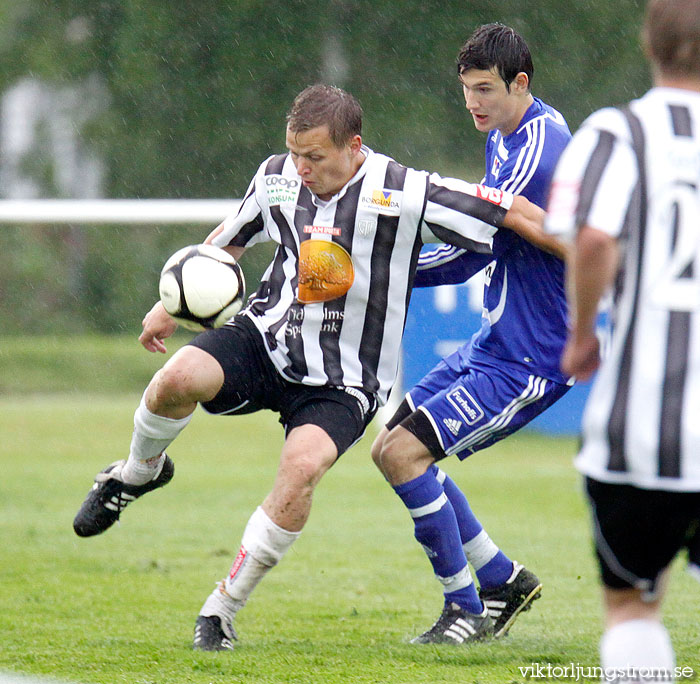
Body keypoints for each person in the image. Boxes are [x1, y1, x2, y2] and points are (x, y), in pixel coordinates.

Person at [72, 83, 551, 651]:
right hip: (266, 339)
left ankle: (220, 611)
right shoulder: (276, 175)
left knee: (301, 471)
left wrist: (602, 256)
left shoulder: (405, 190)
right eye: (295, 153)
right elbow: (227, 243)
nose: (300, 169)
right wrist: (168, 305)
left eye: (315, 157)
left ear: (354, 146)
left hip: (346, 378)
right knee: (175, 379)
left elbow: (512, 211)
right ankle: (137, 472)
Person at [371, 23, 572, 644]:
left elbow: (470, 247)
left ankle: (466, 609)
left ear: (521, 83)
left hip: (531, 357)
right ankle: (503, 579)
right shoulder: (508, 135)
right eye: (466, 91)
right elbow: (483, 246)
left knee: (405, 454)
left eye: (485, 89)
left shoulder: (540, 147)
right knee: (391, 446)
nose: (473, 104)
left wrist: (382, 272)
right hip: (496, 342)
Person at [547, 0, 700, 676]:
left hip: (647, 427)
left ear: (649, 42)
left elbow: (595, 235)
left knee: (633, 605)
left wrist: (582, 335)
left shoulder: (618, 132)